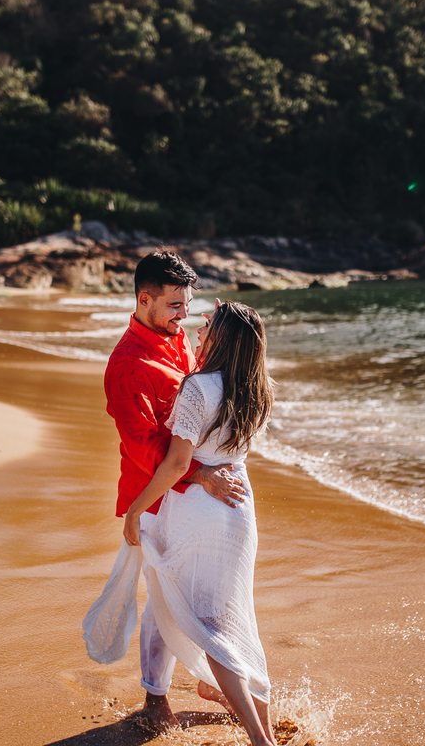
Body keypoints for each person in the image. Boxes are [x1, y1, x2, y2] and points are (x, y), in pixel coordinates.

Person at [122, 300, 276, 746]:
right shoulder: (259, 390)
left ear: (223, 337)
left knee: (212, 625)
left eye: (207, 326)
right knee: (233, 615)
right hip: (239, 510)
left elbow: (175, 465)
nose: (199, 331)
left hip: (198, 507)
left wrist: (135, 510)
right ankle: (259, 724)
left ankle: (260, 741)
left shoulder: (200, 387)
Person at [103, 251, 245, 731]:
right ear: (144, 299)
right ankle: (155, 697)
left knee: (205, 596)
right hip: (156, 497)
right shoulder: (126, 365)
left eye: (187, 305)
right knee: (163, 602)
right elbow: (144, 447)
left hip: (193, 494)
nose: (183, 315)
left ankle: (210, 676)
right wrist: (200, 475)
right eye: (174, 306)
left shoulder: (178, 338)